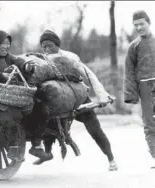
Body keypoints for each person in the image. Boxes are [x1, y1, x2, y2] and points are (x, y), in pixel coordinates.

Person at [34, 30, 118, 171]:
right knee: (47, 122)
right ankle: (47, 152)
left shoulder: (69, 57)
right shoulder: (42, 60)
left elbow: (88, 74)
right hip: (57, 101)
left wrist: (102, 96)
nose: (47, 49)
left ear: (57, 44)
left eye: (50, 45)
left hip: (78, 98)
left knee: (94, 129)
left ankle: (111, 158)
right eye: (44, 47)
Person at [0, 29, 52, 161]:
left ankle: (36, 146)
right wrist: (0, 75)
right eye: (3, 43)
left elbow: (19, 62)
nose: (6, 46)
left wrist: (27, 67)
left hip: (9, 94)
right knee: (12, 113)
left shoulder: (9, 57)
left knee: (41, 109)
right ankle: (13, 148)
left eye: (8, 43)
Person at [124, 10, 155, 169]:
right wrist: (131, 95)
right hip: (144, 85)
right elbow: (129, 71)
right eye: (136, 25)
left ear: (148, 23)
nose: (139, 27)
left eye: (141, 23)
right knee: (149, 123)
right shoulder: (133, 46)